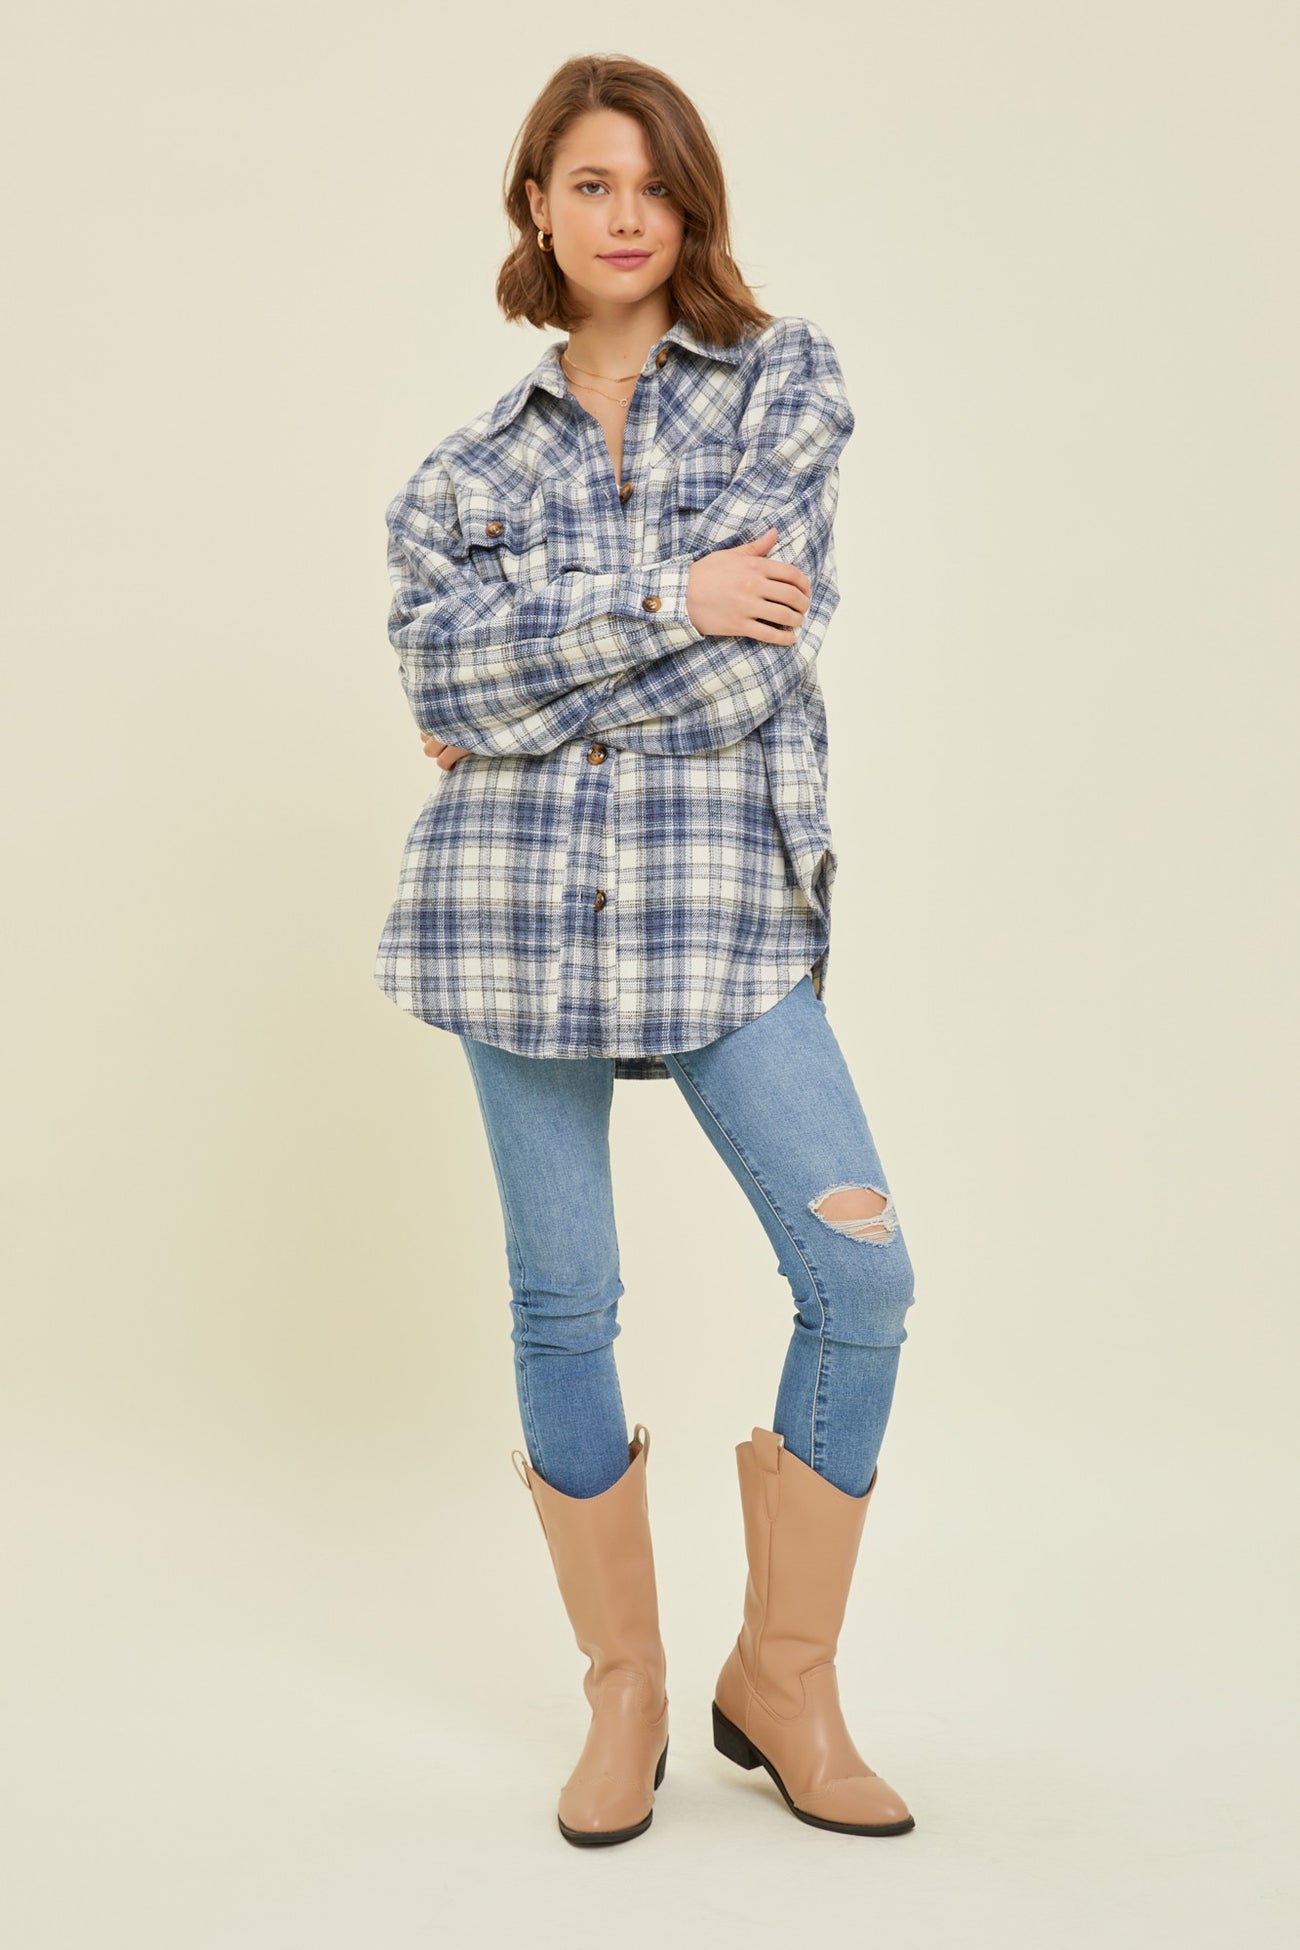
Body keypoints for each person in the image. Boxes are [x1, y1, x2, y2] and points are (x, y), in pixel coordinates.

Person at [373, 54, 919, 1848]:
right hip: (509, 923)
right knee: (564, 1301)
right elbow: (437, 673)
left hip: (724, 911)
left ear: (693, 205)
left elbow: (759, 663)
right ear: (536, 204)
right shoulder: (460, 472)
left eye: (655, 185)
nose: (625, 215)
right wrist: (671, 596)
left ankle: (787, 1678)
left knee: (861, 1277)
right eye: (591, 183)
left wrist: (532, 683)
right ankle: (625, 1691)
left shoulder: (784, 385)